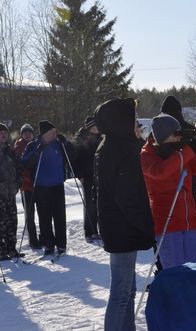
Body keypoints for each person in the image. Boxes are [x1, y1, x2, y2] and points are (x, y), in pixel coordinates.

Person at [94, 97, 155, 331]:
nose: (137, 123)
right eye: (133, 118)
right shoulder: (124, 149)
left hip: (114, 224)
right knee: (121, 292)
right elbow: (128, 196)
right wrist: (145, 226)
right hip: (123, 227)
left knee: (127, 290)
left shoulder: (108, 145)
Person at [140, 114, 196, 269]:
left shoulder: (179, 152)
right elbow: (160, 172)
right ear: (164, 135)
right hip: (167, 223)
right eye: (176, 134)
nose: (180, 138)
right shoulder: (147, 155)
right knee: (175, 274)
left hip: (190, 222)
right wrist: (187, 151)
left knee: (194, 271)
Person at [21, 120, 74, 256]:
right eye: (52, 132)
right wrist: (37, 152)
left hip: (57, 185)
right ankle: (49, 244)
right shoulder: (33, 145)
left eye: (55, 132)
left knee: (59, 216)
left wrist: (66, 143)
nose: (54, 134)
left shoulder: (59, 144)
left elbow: (73, 156)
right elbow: (25, 163)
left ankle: (61, 244)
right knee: (44, 218)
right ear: (44, 133)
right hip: (41, 186)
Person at [72, 116, 102, 244]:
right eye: (96, 126)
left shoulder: (100, 137)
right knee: (90, 203)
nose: (98, 128)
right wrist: (79, 175)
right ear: (90, 127)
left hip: (99, 175)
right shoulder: (80, 139)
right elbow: (74, 160)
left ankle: (98, 230)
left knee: (99, 203)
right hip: (87, 175)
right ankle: (89, 231)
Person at [14, 123, 41, 249]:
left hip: (39, 185)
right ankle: (33, 240)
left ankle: (44, 237)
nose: (27, 135)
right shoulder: (19, 146)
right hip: (26, 186)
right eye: (25, 133)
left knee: (42, 213)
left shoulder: (37, 144)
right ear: (22, 134)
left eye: (29, 132)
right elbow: (20, 166)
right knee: (29, 215)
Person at [0, 123, 23, 259]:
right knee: (1, 223)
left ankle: (11, 248)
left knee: (12, 221)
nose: (3, 136)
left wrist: (18, 183)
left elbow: (19, 167)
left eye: (4, 134)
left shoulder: (10, 150)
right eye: (0, 134)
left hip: (11, 193)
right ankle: (1, 250)